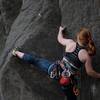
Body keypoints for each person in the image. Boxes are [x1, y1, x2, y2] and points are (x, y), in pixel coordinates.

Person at [12, 26, 100, 100]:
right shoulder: (86, 56)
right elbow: (90, 72)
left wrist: (60, 30)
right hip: (67, 81)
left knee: (36, 60)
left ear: (78, 37)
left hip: (54, 70)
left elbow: (60, 39)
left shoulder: (70, 43)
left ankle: (16, 52)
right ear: (88, 41)